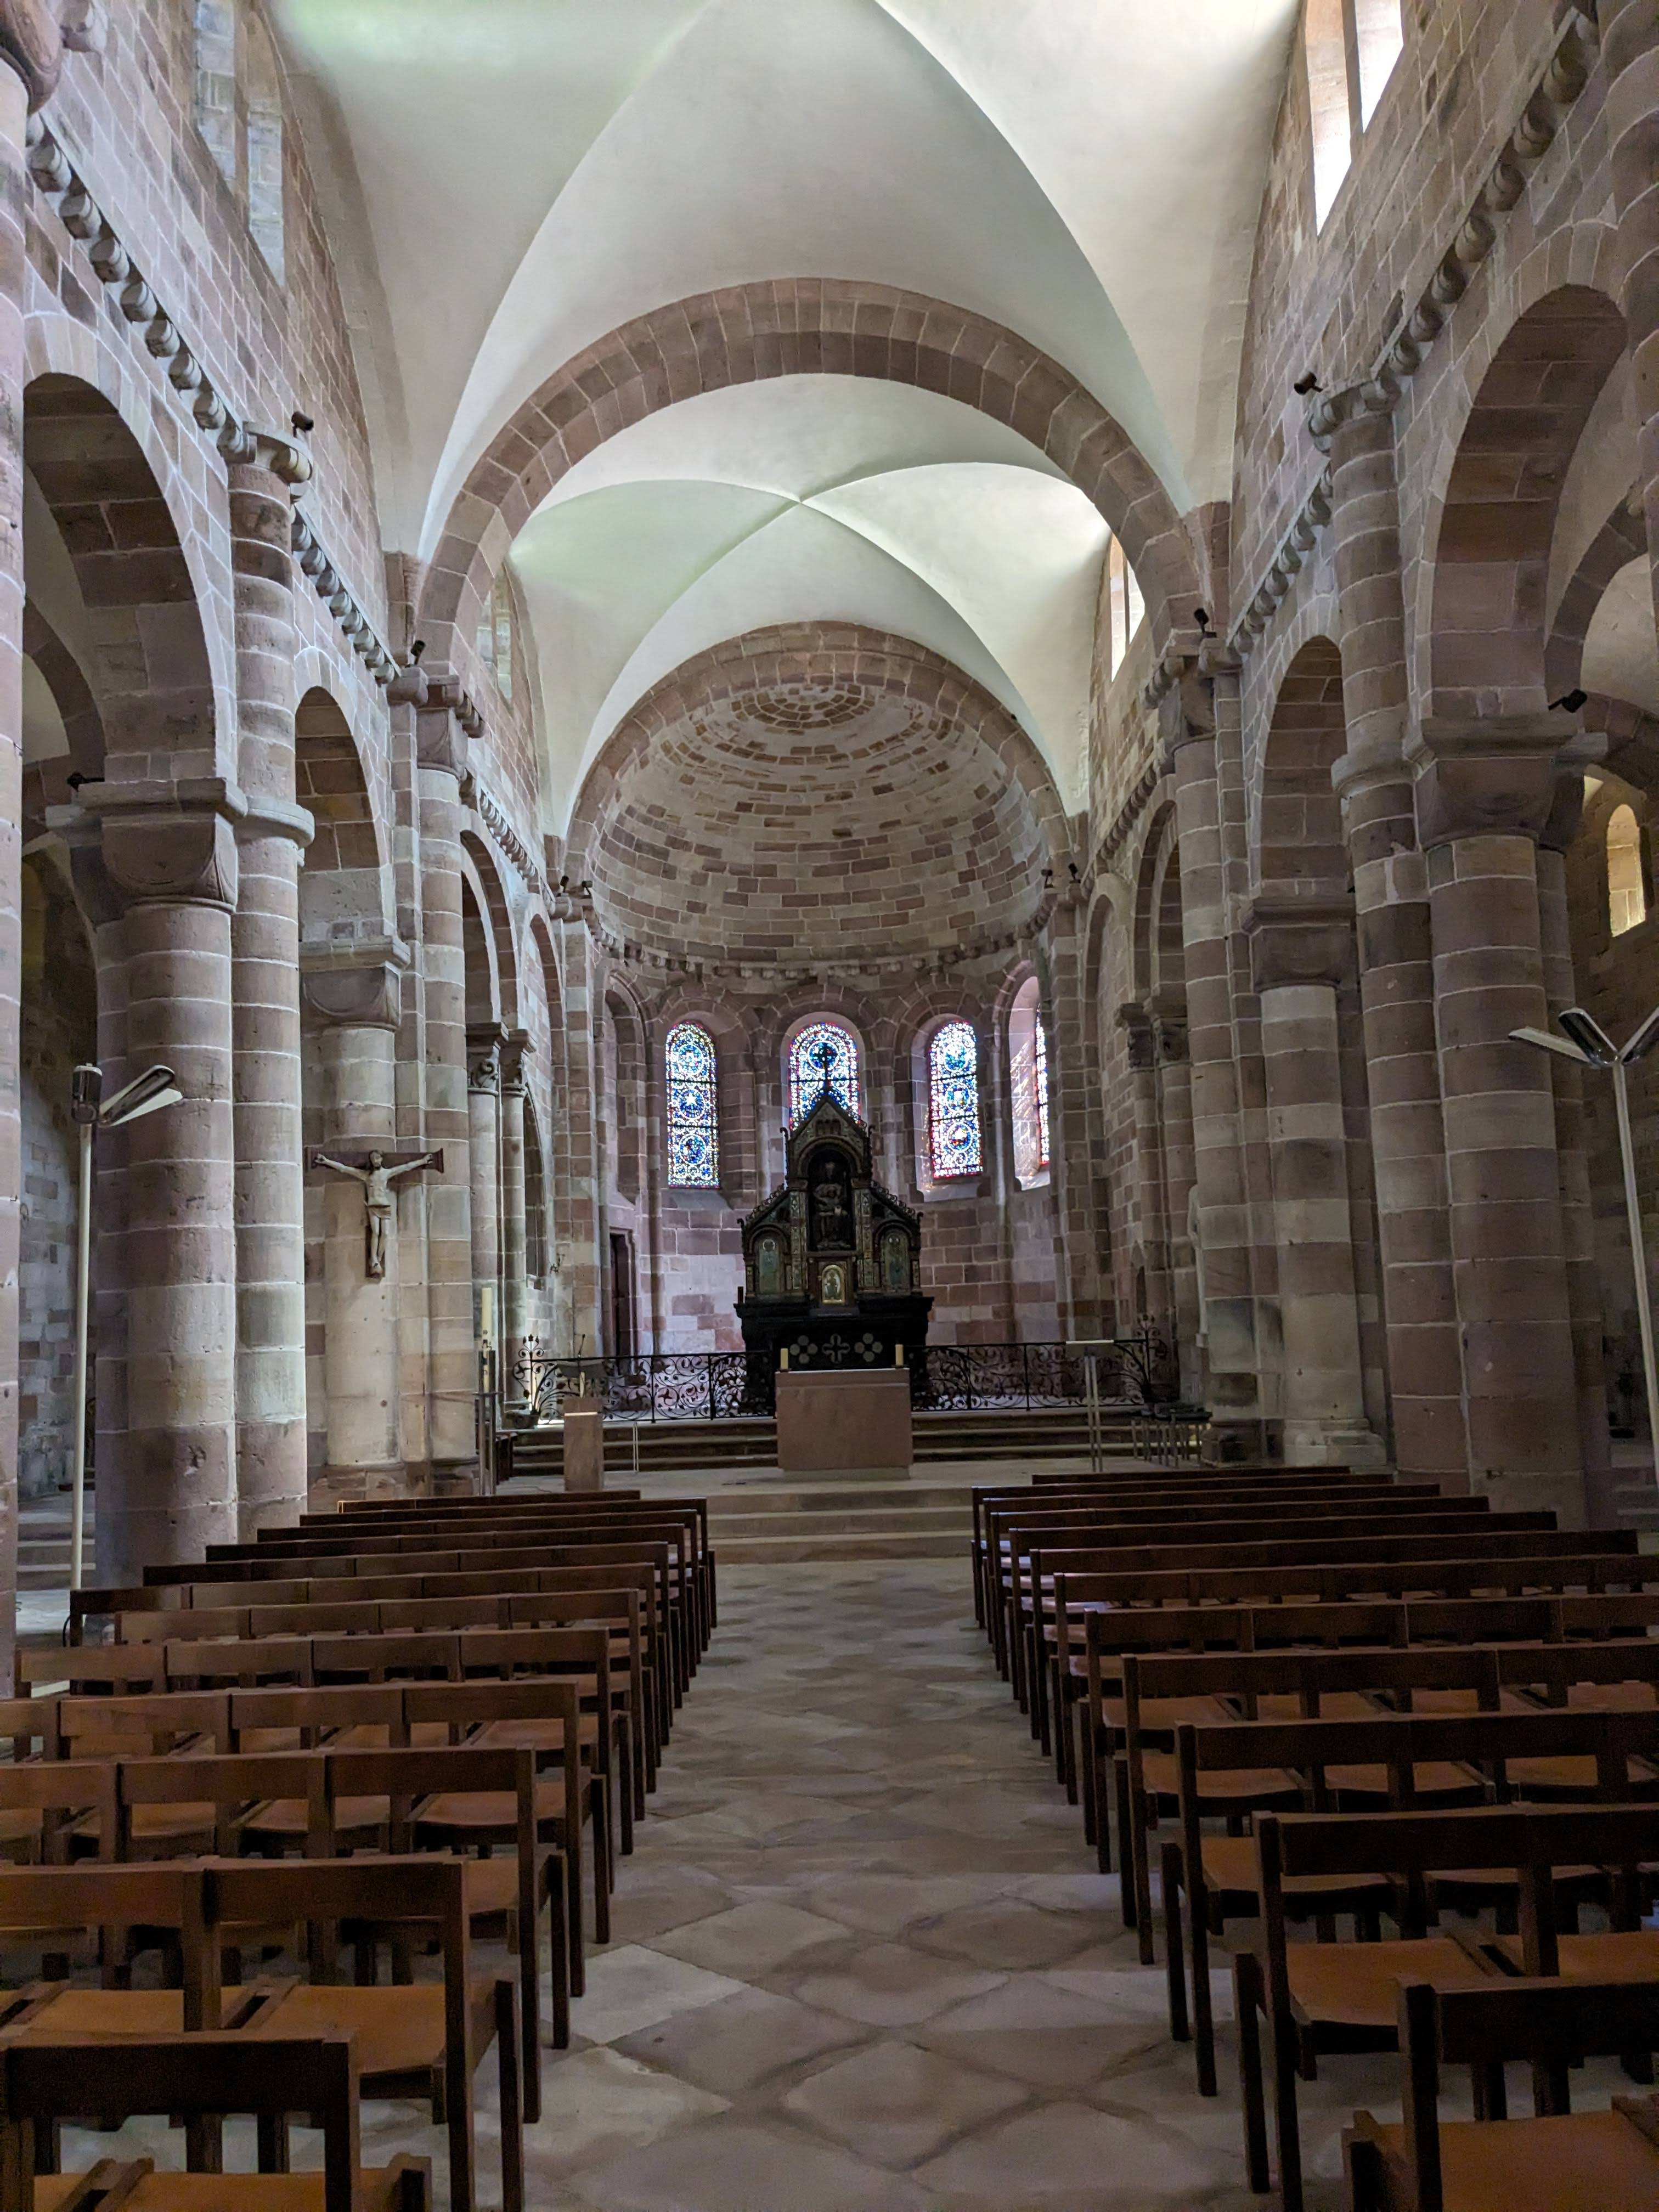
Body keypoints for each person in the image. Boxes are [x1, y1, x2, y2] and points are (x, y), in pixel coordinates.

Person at [313, 1147, 439, 1278]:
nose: (375, 1160)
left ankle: (378, 1258)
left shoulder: (387, 1173)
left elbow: (406, 1167)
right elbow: (344, 1169)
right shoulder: (367, 1176)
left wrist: (423, 1161)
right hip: (373, 1206)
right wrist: (326, 1161)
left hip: (385, 1205)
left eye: (377, 1158)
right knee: (376, 1232)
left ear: (381, 1159)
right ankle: (373, 1258)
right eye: (373, 1159)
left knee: (386, 1234)